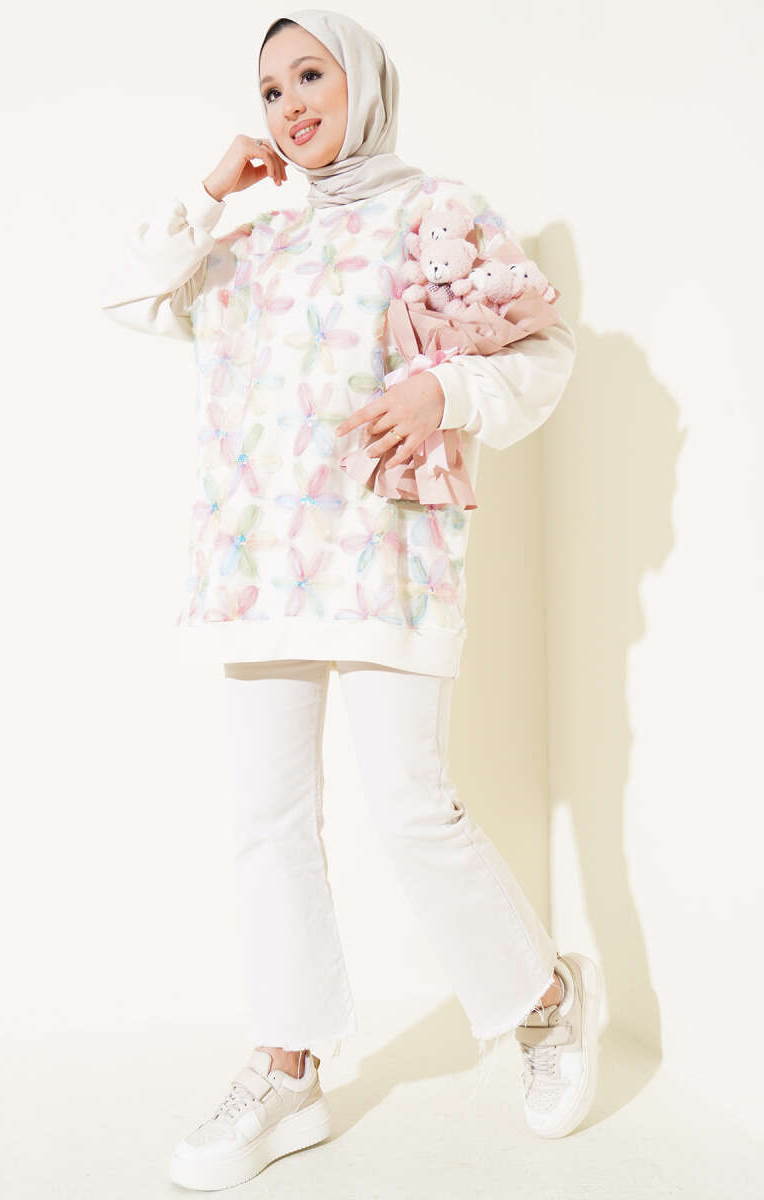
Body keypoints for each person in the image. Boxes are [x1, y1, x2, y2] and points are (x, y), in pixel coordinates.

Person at [101, 8, 603, 1190]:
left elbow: (542, 355)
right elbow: (130, 296)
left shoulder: (435, 213)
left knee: (409, 805)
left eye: (309, 75)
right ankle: (288, 1067)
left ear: (363, 82)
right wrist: (208, 193)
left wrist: (446, 394)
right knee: (265, 818)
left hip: (387, 556)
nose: (289, 107)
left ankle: (539, 998)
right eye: (270, 91)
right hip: (259, 566)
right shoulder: (252, 242)